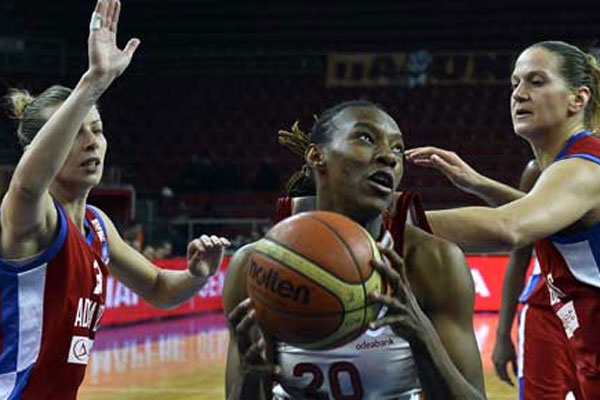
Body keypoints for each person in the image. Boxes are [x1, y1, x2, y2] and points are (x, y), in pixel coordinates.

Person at [0, 1, 230, 398]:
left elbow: (158, 286)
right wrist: (94, 82)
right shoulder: (33, 219)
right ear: (43, 148)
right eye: (76, 133)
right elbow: (25, 185)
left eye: (98, 129)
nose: (92, 142)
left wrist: (197, 275)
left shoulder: (97, 226)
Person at [223, 100, 487, 399]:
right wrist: (250, 375)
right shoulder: (256, 266)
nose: (389, 157)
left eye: (398, 149)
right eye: (366, 138)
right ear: (316, 155)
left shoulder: (433, 261)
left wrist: (422, 336)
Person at [406, 40, 600, 398]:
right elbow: (546, 214)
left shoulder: (583, 167)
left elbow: (509, 228)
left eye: (537, 81)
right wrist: (478, 183)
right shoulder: (571, 168)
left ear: (578, 99)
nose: (519, 94)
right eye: (515, 83)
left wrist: (385, 219)